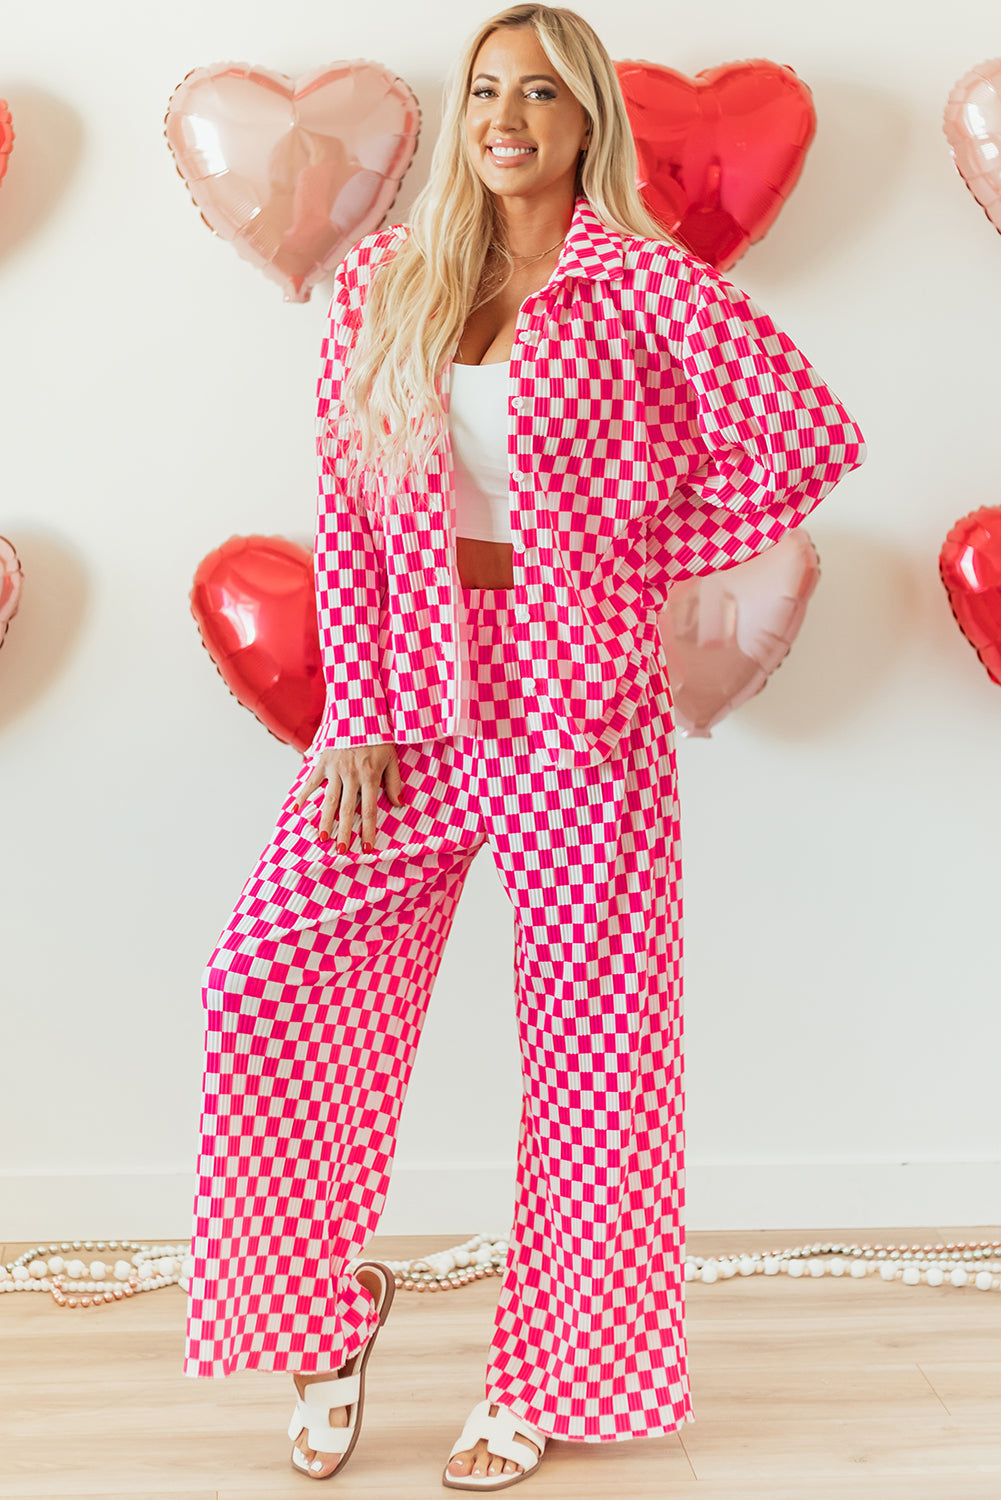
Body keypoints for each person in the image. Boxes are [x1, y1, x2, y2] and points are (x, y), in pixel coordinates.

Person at [183, 3, 867, 1491]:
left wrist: (627, 562)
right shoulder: (388, 277)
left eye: (540, 95)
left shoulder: (641, 285)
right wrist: (355, 715)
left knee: (594, 1052)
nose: (505, 117)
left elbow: (809, 436)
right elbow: (352, 504)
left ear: (586, 121)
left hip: (580, 699)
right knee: (262, 978)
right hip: (412, 686)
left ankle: (544, 1377)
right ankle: (322, 1316)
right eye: (487, 89)